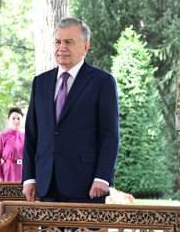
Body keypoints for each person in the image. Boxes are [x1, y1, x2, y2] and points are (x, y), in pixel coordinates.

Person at [23, 18, 119, 203]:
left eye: (69, 42)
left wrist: (102, 177)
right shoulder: (40, 83)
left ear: (85, 46)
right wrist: (29, 178)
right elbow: (32, 134)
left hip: (87, 186)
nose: (62, 47)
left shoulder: (102, 82)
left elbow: (110, 135)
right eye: (58, 42)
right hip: (46, 185)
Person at [0, 107, 26, 182]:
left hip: (23, 172)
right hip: (7, 173)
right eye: (13, 118)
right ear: (8, 120)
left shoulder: (26, 137)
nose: (16, 121)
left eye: (18, 118)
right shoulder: (2, 137)